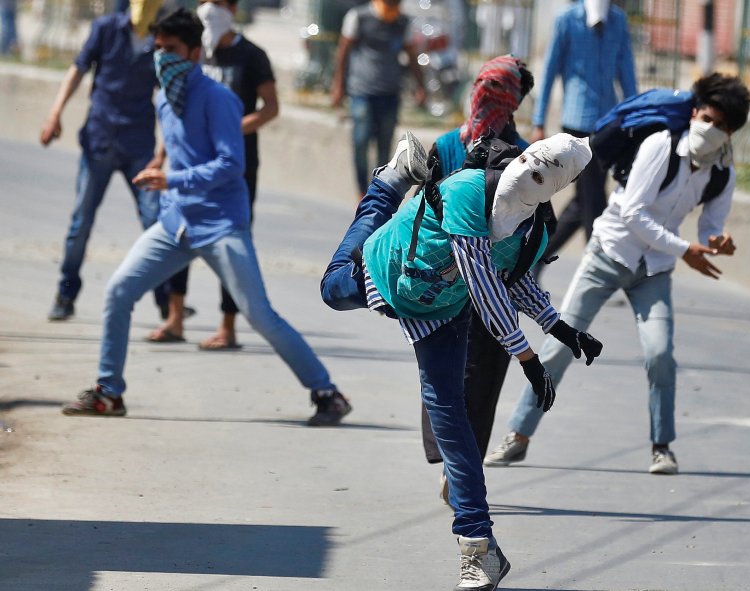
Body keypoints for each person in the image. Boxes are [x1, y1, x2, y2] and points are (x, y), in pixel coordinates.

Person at [320, 131, 600, 589]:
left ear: (557, 188)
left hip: (440, 308)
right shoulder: (468, 189)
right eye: (532, 161)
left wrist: (560, 327)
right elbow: (482, 283)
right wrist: (528, 359)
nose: (531, 175)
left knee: (450, 415)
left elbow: (513, 279)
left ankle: (478, 547)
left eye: (545, 174)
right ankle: (388, 186)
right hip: (389, 271)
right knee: (333, 288)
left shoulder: (535, 229)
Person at [61, 9, 348, 428]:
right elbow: (172, 143)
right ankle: (109, 392)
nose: (161, 57)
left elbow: (231, 165)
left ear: (195, 52)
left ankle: (327, 393)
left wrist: (171, 177)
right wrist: (157, 164)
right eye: (157, 48)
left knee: (259, 314)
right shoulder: (162, 96)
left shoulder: (220, 99)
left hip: (221, 224)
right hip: (176, 222)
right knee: (118, 291)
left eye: (171, 49)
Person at [485, 73, 750, 476]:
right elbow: (633, 213)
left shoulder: (722, 173)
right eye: (708, 119)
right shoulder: (661, 146)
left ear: (732, 133)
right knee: (560, 346)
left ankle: (662, 446)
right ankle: (519, 435)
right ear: (695, 112)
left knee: (660, 354)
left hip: (654, 270)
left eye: (723, 127)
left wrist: (717, 241)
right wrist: (686, 251)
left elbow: (709, 226)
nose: (712, 131)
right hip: (609, 254)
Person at [418, 55, 534, 485]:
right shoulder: (521, 158)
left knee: (458, 374)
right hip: (481, 285)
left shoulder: (457, 147)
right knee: (467, 378)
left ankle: (458, 469)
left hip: (464, 285)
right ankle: (458, 467)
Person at [148, 0, 280, 349]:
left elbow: (271, 107)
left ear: (233, 8)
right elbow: (173, 116)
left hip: (233, 168)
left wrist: (229, 131)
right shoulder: (188, 52)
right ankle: (175, 318)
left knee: (233, 245)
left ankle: (228, 326)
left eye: (219, 2)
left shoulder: (251, 56)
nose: (210, 8)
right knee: (180, 233)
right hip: (186, 168)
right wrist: (159, 157)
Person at [40, 0, 170, 322]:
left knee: (154, 221)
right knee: (81, 222)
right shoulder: (106, 29)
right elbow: (78, 69)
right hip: (100, 139)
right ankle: (65, 293)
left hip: (140, 146)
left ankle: (168, 302)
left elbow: (170, 95)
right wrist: (55, 113)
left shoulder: (162, 39)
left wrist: (163, 152)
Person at [529, 0, 637, 272]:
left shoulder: (618, 22)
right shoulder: (567, 21)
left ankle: (536, 258)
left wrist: (636, 116)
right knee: (594, 196)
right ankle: (597, 268)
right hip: (576, 123)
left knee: (585, 199)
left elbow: (627, 72)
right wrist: (538, 121)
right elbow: (550, 71)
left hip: (608, 123)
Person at [330, 0, 426, 199]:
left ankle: (377, 193)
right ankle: (361, 192)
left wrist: (420, 86)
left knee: (384, 148)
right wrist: (338, 85)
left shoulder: (402, 22)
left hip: (390, 93)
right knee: (361, 142)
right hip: (362, 92)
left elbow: (411, 54)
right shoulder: (359, 17)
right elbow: (343, 51)